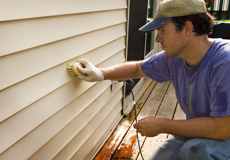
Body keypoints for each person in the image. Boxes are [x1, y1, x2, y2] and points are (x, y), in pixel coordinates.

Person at [75, 0, 230, 159]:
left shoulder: (225, 61)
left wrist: (163, 125)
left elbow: (221, 129)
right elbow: (137, 68)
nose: (157, 38)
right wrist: (99, 73)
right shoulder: (175, 59)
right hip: (204, 130)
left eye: (163, 30)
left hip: (225, 133)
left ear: (187, 28)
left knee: (195, 152)